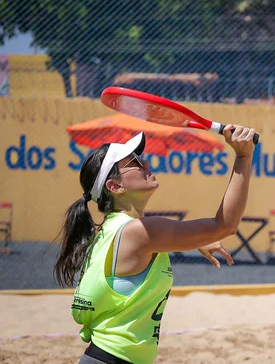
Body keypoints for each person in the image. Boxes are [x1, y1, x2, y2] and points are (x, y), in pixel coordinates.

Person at [53, 124, 255, 364]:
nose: (146, 164)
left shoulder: (114, 229)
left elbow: (146, 247)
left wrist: (194, 240)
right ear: (115, 186)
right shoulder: (138, 232)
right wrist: (243, 155)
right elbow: (225, 226)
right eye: (135, 162)